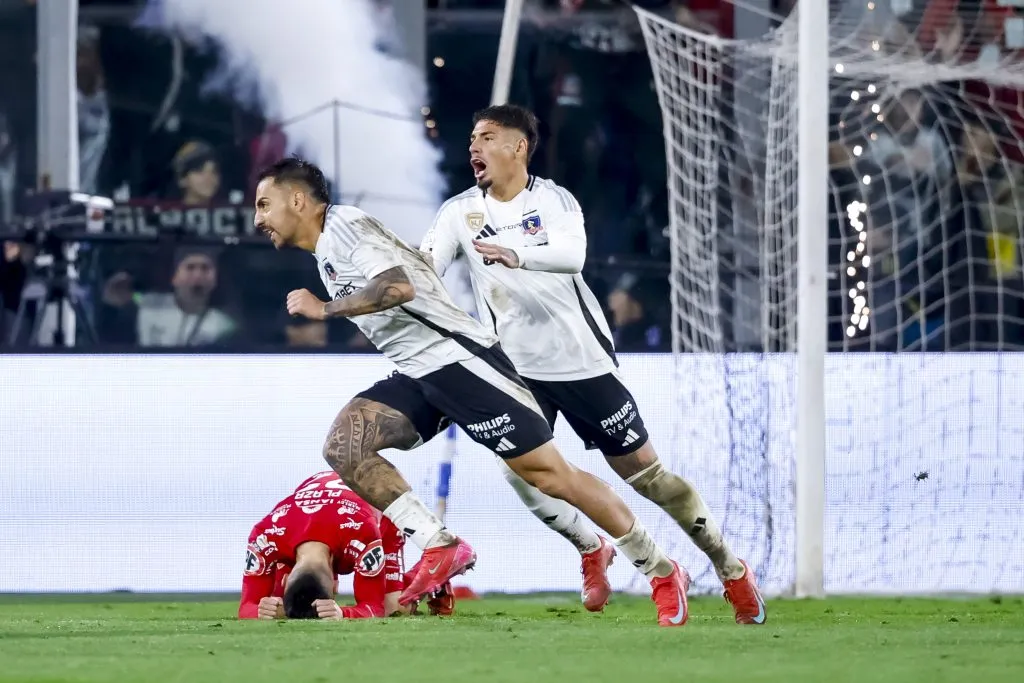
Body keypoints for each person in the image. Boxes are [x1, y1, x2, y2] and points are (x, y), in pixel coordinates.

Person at [253, 157, 690, 626]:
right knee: (345, 445)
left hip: (463, 363)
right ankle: (439, 544)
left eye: (264, 204)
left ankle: (662, 571)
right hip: (420, 373)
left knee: (552, 478)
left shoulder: (343, 226)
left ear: (297, 200)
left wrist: (325, 309)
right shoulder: (327, 248)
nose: (258, 219)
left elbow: (397, 287)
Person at [420, 104, 765, 625]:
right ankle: (612, 554)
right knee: (521, 474)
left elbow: (572, 255)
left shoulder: (553, 200)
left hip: (580, 362)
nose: (474, 145)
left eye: (487, 136)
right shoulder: (458, 212)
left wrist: (517, 253)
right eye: (472, 137)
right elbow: (426, 268)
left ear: (518, 147)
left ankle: (730, 568)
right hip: (516, 370)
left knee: (649, 479)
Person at [239, 470, 453, 620]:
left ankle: (437, 567)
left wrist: (342, 613)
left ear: (335, 585)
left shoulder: (362, 533)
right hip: (320, 503)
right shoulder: (264, 536)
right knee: (278, 604)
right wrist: (259, 610)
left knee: (394, 607)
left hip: (381, 505)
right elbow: (246, 607)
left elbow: (374, 608)